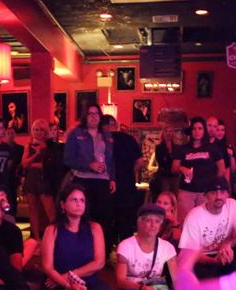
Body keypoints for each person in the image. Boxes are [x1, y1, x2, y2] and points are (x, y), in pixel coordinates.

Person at [116, 204, 215, 290]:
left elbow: (176, 278)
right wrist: (145, 289)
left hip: (157, 288)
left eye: (157, 221)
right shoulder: (125, 246)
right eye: (148, 220)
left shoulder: (167, 247)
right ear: (139, 222)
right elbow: (120, 281)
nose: (153, 225)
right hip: (135, 289)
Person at [41, 184, 115, 290]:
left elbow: (99, 263)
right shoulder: (52, 230)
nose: (79, 204)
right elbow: (47, 267)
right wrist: (67, 284)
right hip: (59, 283)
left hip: (87, 279)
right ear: (62, 205)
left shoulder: (95, 227)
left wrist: (69, 275)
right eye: (74, 200)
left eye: (82, 200)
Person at [64, 103, 115, 253]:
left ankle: (103, 253)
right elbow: (68, 159)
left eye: (96, 113)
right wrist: (89, 165)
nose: (93, 116)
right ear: (84, 117)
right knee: (84, 217)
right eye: (90, 113)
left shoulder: (106, 135)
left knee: (104, 218)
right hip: (83, 181)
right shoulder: (76, 134)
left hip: (103, 181)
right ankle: (83, 251)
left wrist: (112, 178)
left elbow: (111, 159)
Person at [178, 176, 236, 278]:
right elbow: (189, 254)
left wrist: (228, 243)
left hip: (225, 253)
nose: (218, 196)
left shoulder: (232, 205)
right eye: (213, 192)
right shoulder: (194, 216)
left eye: (222, 192)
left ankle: (235, 282)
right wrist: (214, 261)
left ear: (227, 194)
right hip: (204, 258)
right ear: (206, 196)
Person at [172, 116, 225, 223]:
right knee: (185, 222)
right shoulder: (183, 149)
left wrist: (214, 185)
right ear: (190, 131)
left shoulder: (212, 148)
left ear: (204, 131)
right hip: (186, 191)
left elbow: (221, 168)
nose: (197, 131)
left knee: (205, 221)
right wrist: (182, 168)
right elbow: (174, 168)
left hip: (205, 192)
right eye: (194, 128)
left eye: (200, 128)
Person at [103, 114, 144, 243]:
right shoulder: (128, 139)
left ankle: (107, 250)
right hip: (127, 186)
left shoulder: (102, 140)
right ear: (115, 125)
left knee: (107, 224)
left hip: (107, 187)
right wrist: (130, 172)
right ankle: (125, 251)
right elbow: (140, 161)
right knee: (126, 225)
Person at [21, 119, 57, 241]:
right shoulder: (28, 146)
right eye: (36, 129)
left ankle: (54, 237)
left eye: (41, 130)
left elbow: (49, 165)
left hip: (44, 179)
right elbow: (24, 164)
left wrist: (34, 164)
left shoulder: (50, 146)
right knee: (33, 210)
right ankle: (36, 239)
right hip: (31, 179)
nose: (38, 132)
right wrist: (37, 154)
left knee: (50, 211)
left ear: (45, 131)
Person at [148, 126, 181, 199]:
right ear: (163, 133)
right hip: (164, 176)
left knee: (174, 197)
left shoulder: (177, 147)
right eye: (166, 131)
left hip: (175, 176)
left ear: (173, 133)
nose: (168, 133)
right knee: (165, 196)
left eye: (170, 131)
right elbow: (161, 162)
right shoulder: (159, 147)